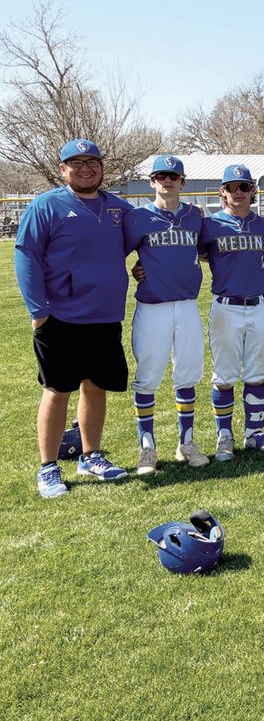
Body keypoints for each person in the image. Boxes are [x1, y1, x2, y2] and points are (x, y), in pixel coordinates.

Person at [15, 139, 134, 498]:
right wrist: (39, 312)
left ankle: (90, 455)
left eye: (92, 162)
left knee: (96, 387)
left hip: (105, 315)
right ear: (62, 168)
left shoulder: (118, 208)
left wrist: (146, 267)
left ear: (101, 167)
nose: (86, 169)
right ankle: (48, 467)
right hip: (61, 316)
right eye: (76, 163)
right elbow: (26, 257)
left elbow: (141, 241)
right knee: (57, 390)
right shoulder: (47, 205)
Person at [123, 155, 207, 474]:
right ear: (152, 181)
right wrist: (136, 269)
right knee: (149, 376)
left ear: (182, 182)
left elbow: (208, 249)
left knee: (187, 373)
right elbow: (119, 252)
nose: (167, 181)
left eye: (173, 176)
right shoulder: (138, 217)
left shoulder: (196, 216)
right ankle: (148, 448)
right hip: (152, 306)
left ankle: (186, 442)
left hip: (186, 304)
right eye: (160, 176)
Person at [198, 163, 264, 459]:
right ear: (222, 191)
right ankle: (224, 435)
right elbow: (192, 255)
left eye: (244, 187)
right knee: (224, 375)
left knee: (257, 372)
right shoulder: (211, 224)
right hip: (226, 307)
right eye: (232, 187)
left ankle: (254, 432)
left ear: (253, 191)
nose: (238, 192)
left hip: (259, 305)